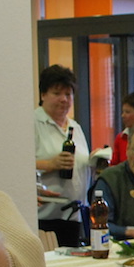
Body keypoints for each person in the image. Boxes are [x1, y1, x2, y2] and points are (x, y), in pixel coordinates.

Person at [34, 64, 93, 247]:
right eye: (57, 93)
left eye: (68, 94)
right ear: (43, 95)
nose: (64, 99)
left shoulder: (75, 127)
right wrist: (50, 164)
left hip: (74, 216)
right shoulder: (33, 123)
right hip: (45, 217)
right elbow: (16, 165)